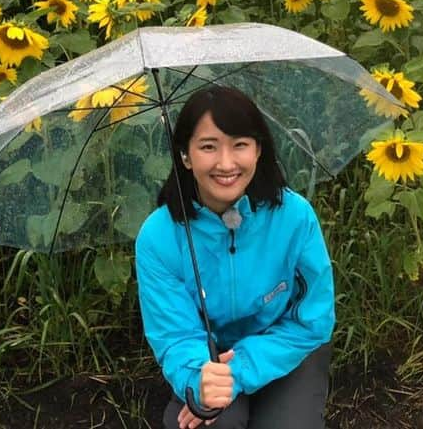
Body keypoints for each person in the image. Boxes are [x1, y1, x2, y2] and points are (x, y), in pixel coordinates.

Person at [135, 85, 335, 429]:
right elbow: (176, 336)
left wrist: (237, 370)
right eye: (208, 147)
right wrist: (198, 383)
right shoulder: (158, 237)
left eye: (239, 145)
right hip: (208, 355)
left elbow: (312, 320)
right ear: (185, 155)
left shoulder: (295, 217)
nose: (226, 164)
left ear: (258, 150)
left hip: (287, 347)